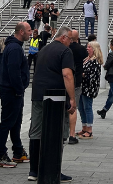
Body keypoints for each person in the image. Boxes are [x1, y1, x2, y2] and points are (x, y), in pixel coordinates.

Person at [27, 27, 77, 182]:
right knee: (57, 132)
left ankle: (34, 170)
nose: (71, 42)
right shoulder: (65, 51)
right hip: (56, 98)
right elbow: (67, 74)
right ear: (63, 38)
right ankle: (54, 170)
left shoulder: (44, 49)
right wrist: (72, 98)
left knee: (36, 131)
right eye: (70, 39)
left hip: (38, 94)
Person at [0, 21, 32, 168]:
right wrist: (19, 89)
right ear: (21, 32)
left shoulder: (14, 46)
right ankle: (0, 154)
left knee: (15, 122)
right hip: (11, 90)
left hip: (12, 90)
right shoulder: (15, 48)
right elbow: (13, 71)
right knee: (8, 122)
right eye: (28, 30)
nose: (31, 33)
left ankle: (18, 150)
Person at [76, 41, 102, 140]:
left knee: (87, 107)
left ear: (94, 49)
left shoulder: (95, 61)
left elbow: (92, 75)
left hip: (89, 88)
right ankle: (84, 127)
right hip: (82, 87)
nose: (87, 48)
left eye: (89, 47)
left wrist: (82, 74)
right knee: (81, 108)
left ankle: (89, 130)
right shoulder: (87, 59)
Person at [66, 29, 88, 146]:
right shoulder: (81, 49)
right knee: (73, 106)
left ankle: (64, 132)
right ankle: (72, 134)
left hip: (64, 80)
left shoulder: (66, 49)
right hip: (77, 80)